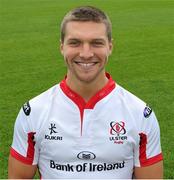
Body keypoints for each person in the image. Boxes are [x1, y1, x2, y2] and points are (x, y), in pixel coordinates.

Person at [8, 6, 163, 179]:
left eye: (96, 43)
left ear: (110, 47)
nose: (86, 53)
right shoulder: (33, 112)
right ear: (62, 47)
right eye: (75, 43)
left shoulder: (141, 114)